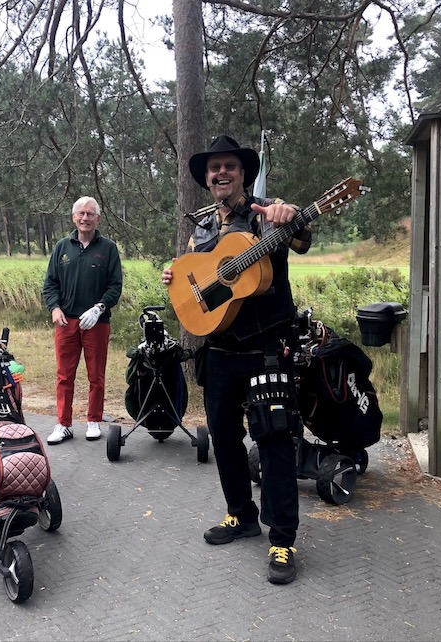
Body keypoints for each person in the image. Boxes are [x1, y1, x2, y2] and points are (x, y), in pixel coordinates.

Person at [161, 135, 312, 584]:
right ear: (207, 180)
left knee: (274, 439)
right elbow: (196, 274)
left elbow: (301, 239)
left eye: (228, 166)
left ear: (243, 173)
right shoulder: (203, 226)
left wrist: (295, 219)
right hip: (221, 350)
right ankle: (240, 514)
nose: (220, 173)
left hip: (266, 348)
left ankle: (282, 537)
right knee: (224, 438)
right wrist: (175, 275)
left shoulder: (268, 215)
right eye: (213, 169)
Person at [42, 196, 123, 445]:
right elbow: (50, 284)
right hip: (66, 322)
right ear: (74, 217)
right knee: (64, 376)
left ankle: (93, 420)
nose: (85, 218)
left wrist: (99, 308)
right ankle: (63, 424)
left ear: (98, 218)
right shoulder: (62, 247)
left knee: (95, 375)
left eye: (90, 214)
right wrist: (55, 309)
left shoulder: (107, 248)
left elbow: (115, 286)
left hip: (96, 323)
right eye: (81, 214)